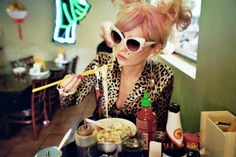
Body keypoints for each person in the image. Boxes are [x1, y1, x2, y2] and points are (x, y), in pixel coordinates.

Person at [57, 0, 191, 131]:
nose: (120, 48)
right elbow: (70, 101)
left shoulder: (162, 75)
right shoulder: (103, 62)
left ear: (155, 49)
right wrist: (67, 90)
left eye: (133, 43)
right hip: (103, 137)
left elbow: (159, 127)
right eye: (117, 36)